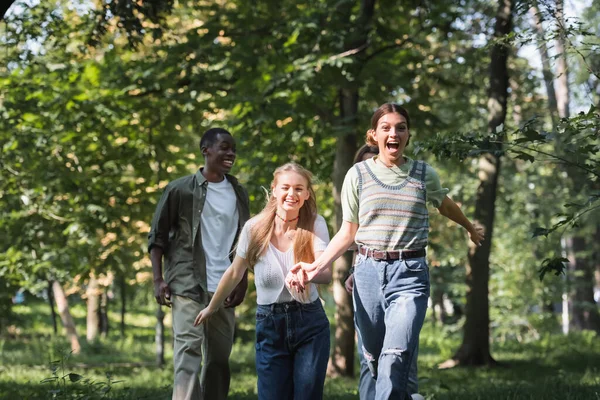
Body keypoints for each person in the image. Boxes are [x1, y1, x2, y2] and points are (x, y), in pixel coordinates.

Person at [292, 103, 484, 400]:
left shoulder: (423, 173)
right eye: (386, 127)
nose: (394, 133)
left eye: (401, 127)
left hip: (410, 274)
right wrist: (315, 266)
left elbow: (444, 204)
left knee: (395, 355)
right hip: (367, 273)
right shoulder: (357, 175)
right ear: (374, 135)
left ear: (408, 135)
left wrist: (469, 227)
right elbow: (348, 232)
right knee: (372, 359)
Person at [194, 163, 332, 400]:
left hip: (309, 322)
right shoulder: (255, 228)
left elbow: (326, 272)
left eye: (299, 189)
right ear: (274, 189)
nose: (292, 194)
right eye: (286, 187)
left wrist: (307, 274)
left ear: (307, 194)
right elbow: (235, 272)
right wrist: (212, 307)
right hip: (270, 323)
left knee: (307, 395)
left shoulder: (315, 223)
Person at [148, 128, 250, 400]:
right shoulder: (180, 189)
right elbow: (156, 237)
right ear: (206, 151)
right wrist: (158, 279)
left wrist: (243, 280)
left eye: (233, 150)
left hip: (224, 286)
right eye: (224, 148)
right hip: (187, 283)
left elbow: (246, 243)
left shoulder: (239, 193)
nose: (231, 154)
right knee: (188, 354)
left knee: (218, 359)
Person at [344, 144, 421, 400]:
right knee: (370, 360)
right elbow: (357, 242)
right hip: (367, 281)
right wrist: (356, 273)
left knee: (399, 356)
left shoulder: (408, 186)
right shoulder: (357, 188)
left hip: (403, 277)